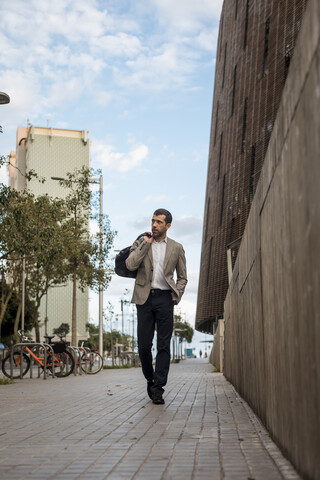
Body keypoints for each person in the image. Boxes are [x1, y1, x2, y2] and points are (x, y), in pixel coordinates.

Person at [126, 208, 187, 405]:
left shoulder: (177, 248)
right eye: (153, 220)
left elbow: (183, 277)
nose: (154, 224)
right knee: (143, 346)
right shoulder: (142, 241)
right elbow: (130, 264)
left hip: (164, 299)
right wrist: (145, 244)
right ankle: (150, 379)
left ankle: (159, 388)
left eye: (159, 222)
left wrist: (175, 296)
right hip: (144, 298)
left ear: (168, 225)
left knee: (163, 346)